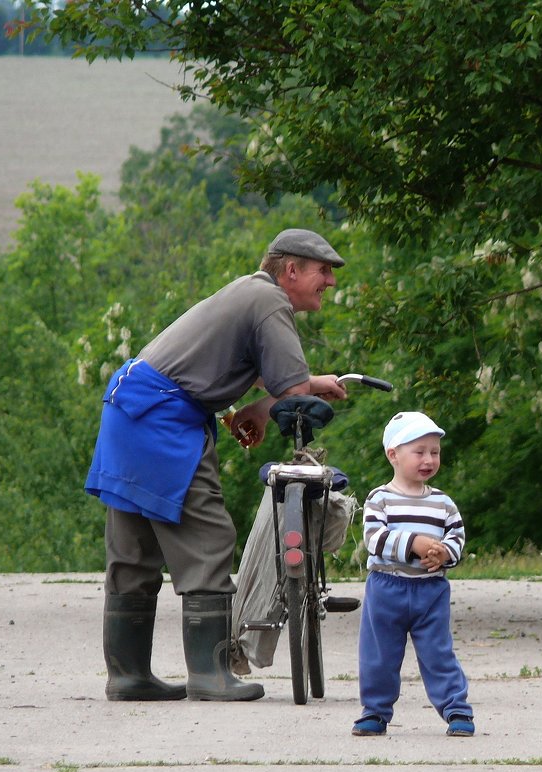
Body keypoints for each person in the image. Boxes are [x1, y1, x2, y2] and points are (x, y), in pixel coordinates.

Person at [85, 228, 349, 702]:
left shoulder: (248, 293)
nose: (329, 281)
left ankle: (127, 676)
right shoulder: (270, 303)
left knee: (134, 549)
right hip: (164, 422)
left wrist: (288, 392)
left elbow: (281, 382)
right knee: (208, 539)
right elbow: (291, 395)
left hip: (129, 411)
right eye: (322, 271)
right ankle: (211, 675)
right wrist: (294, 395)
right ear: (291, 270)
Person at [352, 411, 475, 736]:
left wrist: (445, 553)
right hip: (386, 587)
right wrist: (416, 543)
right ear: (393, 454)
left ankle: (457, 710)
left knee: (438, 652)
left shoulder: (442, 503)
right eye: (419, 452)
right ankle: (375, 712)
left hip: (430, 590)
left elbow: (457, 536)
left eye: (434, 452)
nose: (428, 459)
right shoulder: (380, 499)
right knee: (379, 655)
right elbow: (374, 539)